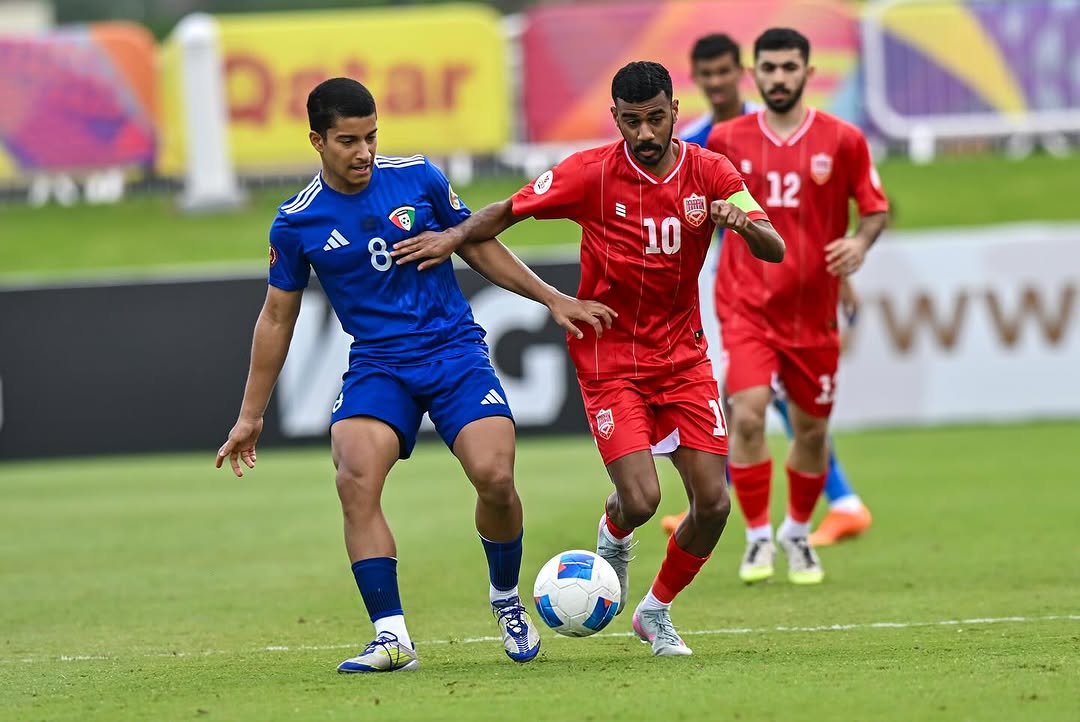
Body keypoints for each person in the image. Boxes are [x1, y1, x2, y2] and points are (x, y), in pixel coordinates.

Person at [215, 77, 614, 673]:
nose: (363, 152)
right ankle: (392, 637)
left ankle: (505, 598)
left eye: (371, 137)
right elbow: (277, 315)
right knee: (354, 478)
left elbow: (476, 245)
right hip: (379, 364)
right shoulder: (295, 222)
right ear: (316, 141)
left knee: (495, 478)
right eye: (347, 140)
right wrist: (250, 416)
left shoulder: (419, 176)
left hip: (455, 352)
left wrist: (552, 299)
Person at [392, 61, 785, 656]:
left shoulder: (711, 172)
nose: (646, 134)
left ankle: (655, 612)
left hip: (684, 359)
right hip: (610, 361)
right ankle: (615, 532)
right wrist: (452, 237)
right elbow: (507, 211)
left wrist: (743, 225)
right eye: (632, 122)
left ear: (675, 111)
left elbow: (773, 245)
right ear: (616, 119)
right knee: (643, 501)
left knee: (714, 503)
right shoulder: (589, 174)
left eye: (656, 118)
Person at [661, 32, 873, 547]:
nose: (716, 84)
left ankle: (834, 502)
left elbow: (812, 216)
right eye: (705, 75)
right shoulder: (697, 136)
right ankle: (830, 502)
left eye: (723, 73)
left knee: (769, 401)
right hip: (732, 284)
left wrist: (841, 273)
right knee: (751, 399)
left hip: (792, 291)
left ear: (743, 73)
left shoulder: (778, 122)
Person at [705, 28, 889, 584]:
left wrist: (859, 242)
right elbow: (696, 200)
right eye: (769, 68)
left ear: (808, 73)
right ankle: (758, 536)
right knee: (748, 411)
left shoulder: (844, 140)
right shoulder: (726, 138)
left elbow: (874, 209)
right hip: (747, 307)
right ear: (753, 74)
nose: (779, 78)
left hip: (813, 315)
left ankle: (796, 532)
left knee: (811, 432)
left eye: (789, 68)